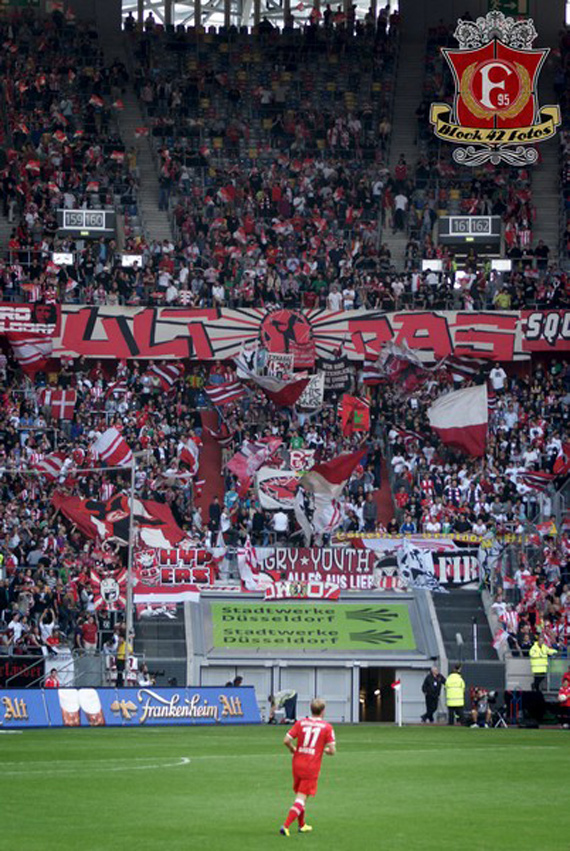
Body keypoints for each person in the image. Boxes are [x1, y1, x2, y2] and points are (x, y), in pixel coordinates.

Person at [280, 698, 336, 837]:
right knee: (301, 798)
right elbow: (332, 751)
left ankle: (302, 824)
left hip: (297, 763)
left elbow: (286, 740)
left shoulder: (301, 723)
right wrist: (322, 750)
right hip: (311, 766)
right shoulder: (327, 727)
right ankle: (286, 825)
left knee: (301, 793)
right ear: (323, 711)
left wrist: (292, 748)